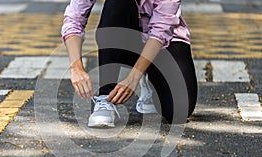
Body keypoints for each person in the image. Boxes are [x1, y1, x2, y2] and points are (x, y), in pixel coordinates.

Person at [61, 0, 198, 127]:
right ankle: (105, 97)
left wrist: (134, 77)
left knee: (179, 111)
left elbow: (161, 30)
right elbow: (74, 18)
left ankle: (149, 81)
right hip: (122, 37)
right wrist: (76, 66)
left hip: (163, 42)